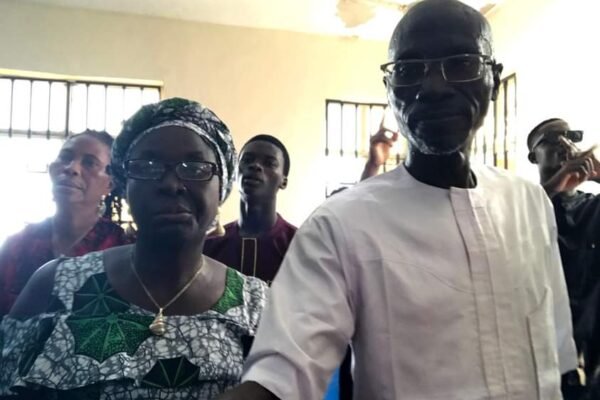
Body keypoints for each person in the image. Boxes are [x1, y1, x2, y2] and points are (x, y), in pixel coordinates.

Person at [218, 1, 577, 399]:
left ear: (492, 78)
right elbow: (281, 374)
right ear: (389, 90)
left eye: (461, 63)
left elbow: (558, 357)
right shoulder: (340, 225)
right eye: (408, 70)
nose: (434, 87)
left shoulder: (529, 204)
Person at [0, 98, 268, 399]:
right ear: (124, 185)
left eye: (195, 167)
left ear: (222, 186)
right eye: (148, 166)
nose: (171, 184)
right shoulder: (54, 285)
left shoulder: (256, 306)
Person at [0, 130, 129, 316]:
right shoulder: (17, 245)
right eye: (65, 157)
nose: (72, 168)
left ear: (110, 183)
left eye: (90, 163)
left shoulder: (121, 249)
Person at [527, 118, 600, 397]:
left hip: (589, 347)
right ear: (533, 156)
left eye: (571, 137)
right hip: (540, 349)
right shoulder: (521, 204)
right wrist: (557, 184)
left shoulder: (592, 207)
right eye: (551, 139)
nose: (565, 144)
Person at [204, 134, 296, 284]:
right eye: (247, 160)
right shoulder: (209, 247)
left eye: (269, 163)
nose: (255, 166)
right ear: (235, 173)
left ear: (283, 181)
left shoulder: (298, 245)